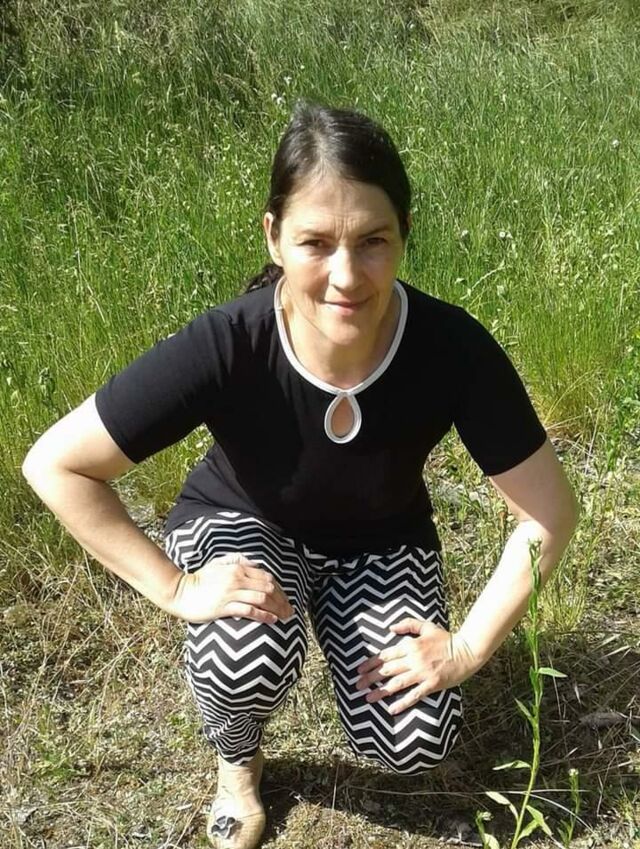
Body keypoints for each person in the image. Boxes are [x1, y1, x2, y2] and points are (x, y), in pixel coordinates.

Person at [22, 100, 579, 849]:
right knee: (240, 653)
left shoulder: (453, 349)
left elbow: (548, 513)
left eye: (373, 241)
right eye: (315, 242)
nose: (346, 276)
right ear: (274, 237)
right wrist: (177, 588)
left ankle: (345, 625)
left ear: (405, 235)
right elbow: (56, 464)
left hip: (379, 538)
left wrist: (468, 647)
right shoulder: (230, 342)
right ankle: (237, 764)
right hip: (245, 520)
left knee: (416, 733)